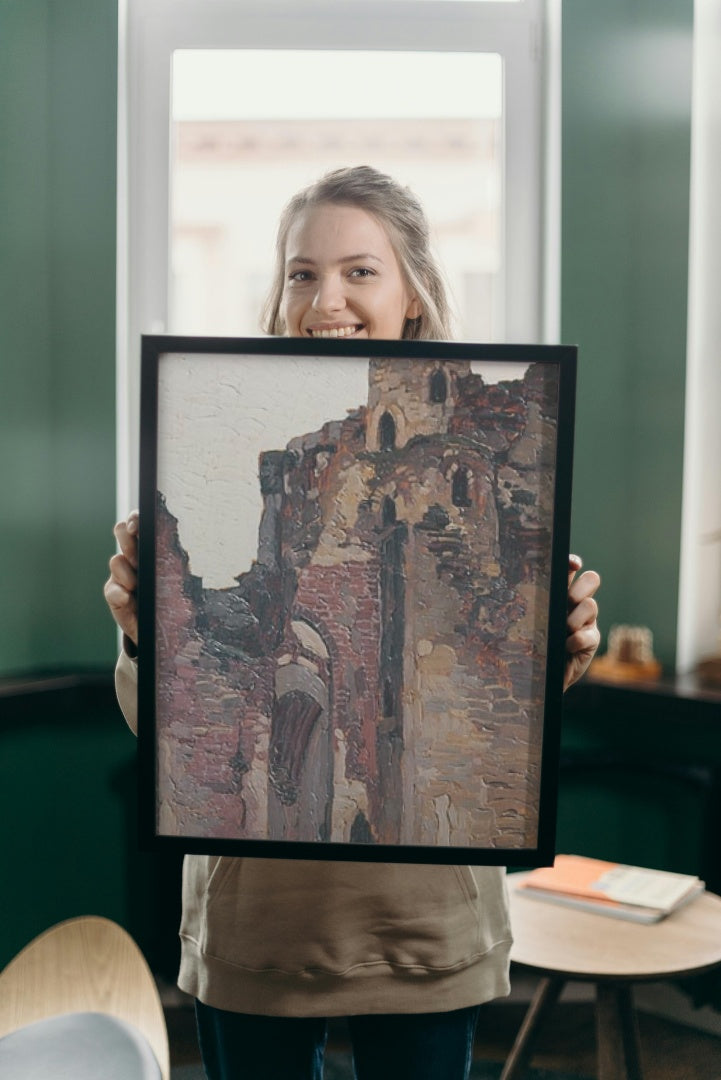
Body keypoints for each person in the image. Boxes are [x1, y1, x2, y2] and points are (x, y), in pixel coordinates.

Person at [105, 166, 601, 1080]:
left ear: (412, 292)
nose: (324, 297)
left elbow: (505, 717)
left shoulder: (486, 465)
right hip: (259, 926)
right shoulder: (250, 452)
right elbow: (175, 729)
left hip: (422, 925)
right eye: (301, 272)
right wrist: (147, 635)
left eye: (359, 271)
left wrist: (557, 648)